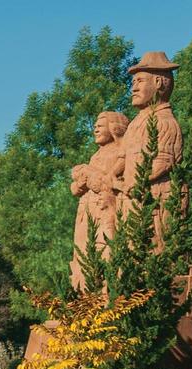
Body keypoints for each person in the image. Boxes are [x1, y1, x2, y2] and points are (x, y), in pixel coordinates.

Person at [116, 51, 185, 248]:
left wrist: (136, 181)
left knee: (154, 249)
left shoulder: (166, 122)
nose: (133, 88)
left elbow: (164, 161)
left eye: (139, 81)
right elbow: (123, 157)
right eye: (133, 83)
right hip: (132, 199)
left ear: (159, 83)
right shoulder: (136, 123)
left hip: (155, 198)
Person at [69, 111, 129, 289]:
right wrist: (82, 181)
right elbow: (77, 188)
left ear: (114, 128)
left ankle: (107, 291)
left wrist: (89, 175)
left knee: (106, 247)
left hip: (105, 208)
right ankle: (84, 293)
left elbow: (108, 182)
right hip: (86, 210)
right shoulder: (95, 156)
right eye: (95, 125)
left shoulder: (120, 153)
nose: (95, 128)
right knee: (83, 251)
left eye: (100, 125)